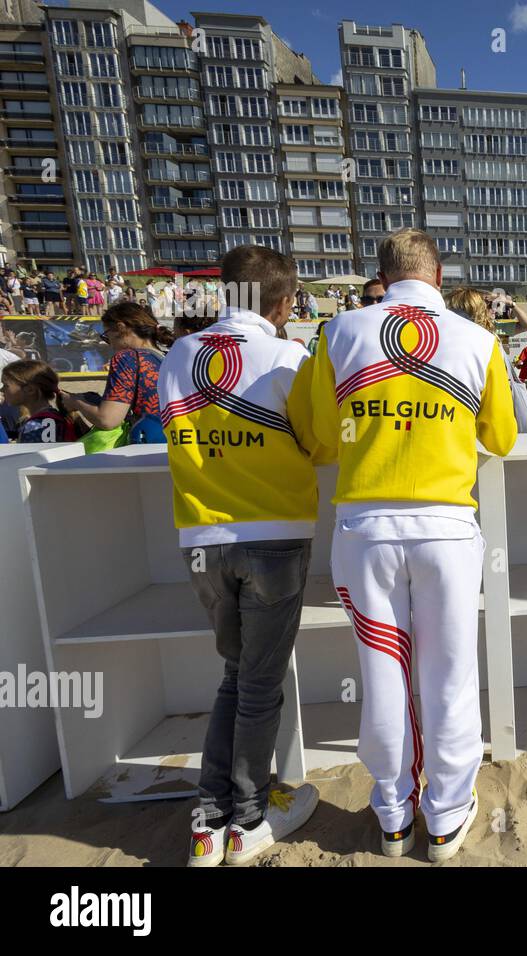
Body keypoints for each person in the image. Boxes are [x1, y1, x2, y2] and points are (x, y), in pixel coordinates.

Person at [288, 229, 516, 861]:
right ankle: (444, 817)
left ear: (381, 277)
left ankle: (393, 814)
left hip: (366, 528)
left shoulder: (338, 334)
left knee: (381, 676)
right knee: (450, 676)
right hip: (446, 526)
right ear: (438, 276)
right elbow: (502, 440)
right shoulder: (480, 340)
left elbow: (321, 443)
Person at [158, 245, 321, 866]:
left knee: (235, 675)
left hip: (201, 540)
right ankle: (249, 817)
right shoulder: (288, 356)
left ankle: (209, 819)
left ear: (225, 294)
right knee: (259, 683)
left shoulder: (178, 354)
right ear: (282, 304)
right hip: (273, 535)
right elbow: (319, 443)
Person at [60, 301, 170, 443]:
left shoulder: (128, 357)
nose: (109, 344)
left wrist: (75, 402)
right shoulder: (167, 356)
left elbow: (108, 419)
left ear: (120, 328)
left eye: (106, 336)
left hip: (148, 445)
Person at [1, 360, 77, 443]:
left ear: (30, 389)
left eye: (6, 385)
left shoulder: (37, 425)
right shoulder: (53, 417)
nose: (2, 390)